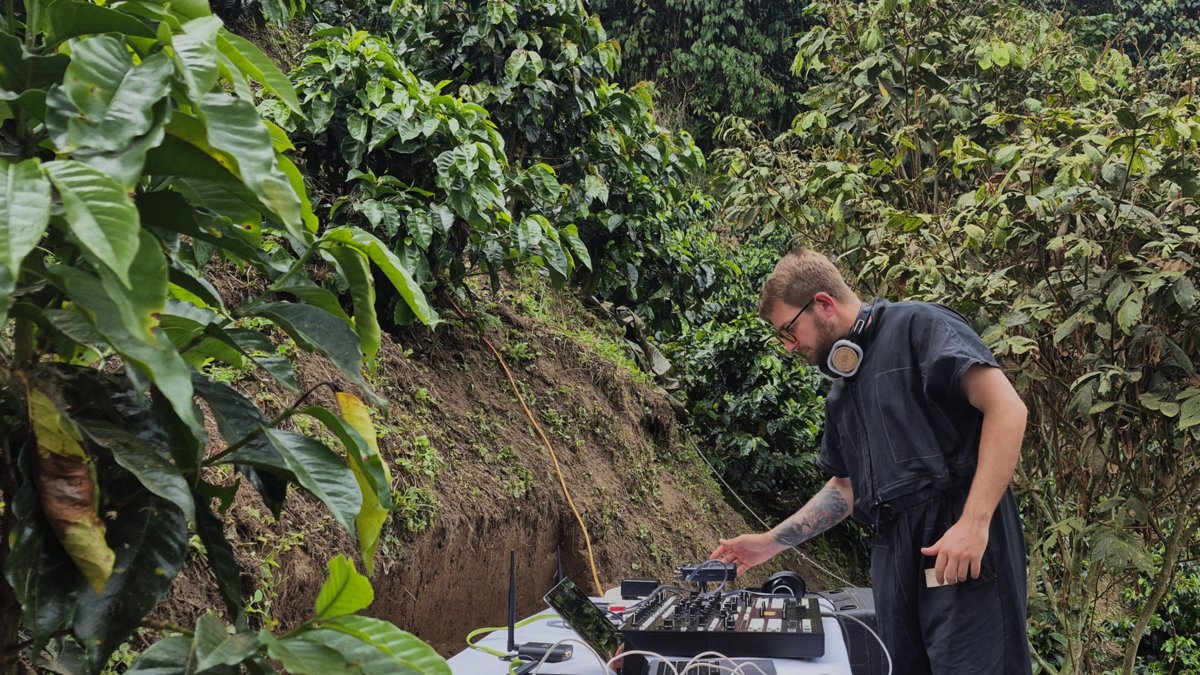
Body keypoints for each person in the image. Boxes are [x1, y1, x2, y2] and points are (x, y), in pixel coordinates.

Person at [711, 248, 1032, 674]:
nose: (789, 347)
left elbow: (1008, 409)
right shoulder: (840, 394)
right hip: (893, 555)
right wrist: (771, 542)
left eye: (789, 330)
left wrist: (974, 523)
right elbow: (846, 488)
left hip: (960, 539)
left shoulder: (920, 325)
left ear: (822, 303)